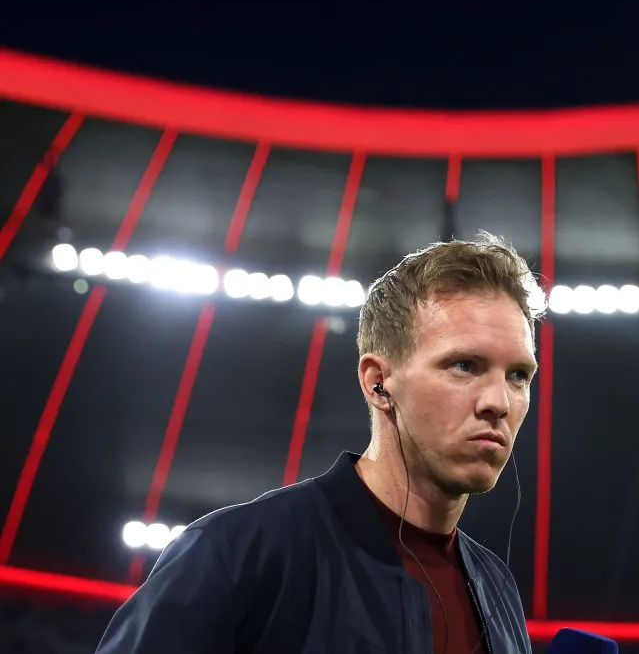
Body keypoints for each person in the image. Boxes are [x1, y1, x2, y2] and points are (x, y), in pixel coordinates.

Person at [95, 232, 542, 654]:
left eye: (519, 375)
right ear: (378, 383)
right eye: (464, 365)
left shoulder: (497, 590)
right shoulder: (238, 553)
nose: (499, 402)